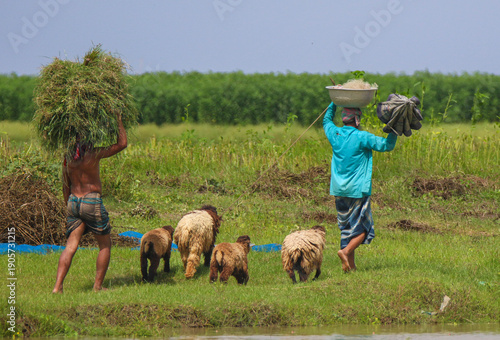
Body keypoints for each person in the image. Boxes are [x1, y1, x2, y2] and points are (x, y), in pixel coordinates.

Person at [52, 114, 127, 293]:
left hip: (73, 202)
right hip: (91, 201)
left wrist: (68, 207)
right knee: (105, 244)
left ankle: (57, 287)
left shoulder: (68, 158)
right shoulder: (93, 153)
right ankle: (97, 287)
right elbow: (122, 144)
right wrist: (118, 120)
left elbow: (65, 184)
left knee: (71, 246)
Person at [323, 102, 397, 272]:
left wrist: (334, 101)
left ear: (344, 119)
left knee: (346, 227)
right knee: (364, 228)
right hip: (357, 190)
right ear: (356, 120)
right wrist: (394, 128)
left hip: (338, 189)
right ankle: (345, 251)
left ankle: (351, 266)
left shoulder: (334, 134)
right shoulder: (362, 137)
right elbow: (387, 145)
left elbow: (326, 120)